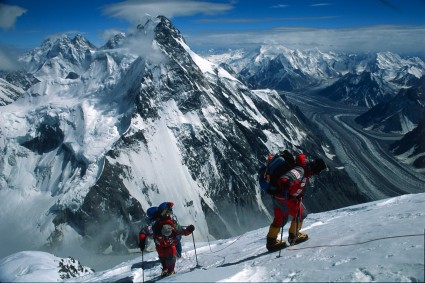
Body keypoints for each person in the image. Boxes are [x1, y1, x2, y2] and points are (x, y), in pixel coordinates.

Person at [266, 153, 327, 251]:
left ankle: (271, 242)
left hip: (277, 197)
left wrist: (297, 194)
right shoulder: (301, 170)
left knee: (279, 219)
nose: (317, 174)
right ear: (315, 168)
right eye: (318, 171)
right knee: (301, 214)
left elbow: (295, 184)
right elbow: (287, 178)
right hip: (286, 198)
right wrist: (285, 182)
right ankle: (294, 236)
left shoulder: (303, 169)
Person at [139, 202, 195, 277]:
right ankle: (170, 270)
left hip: (160, 245)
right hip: (172, 243)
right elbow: (183, 231)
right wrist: (189, 230)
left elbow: (144, 231)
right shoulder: (172, 224)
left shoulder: (155, 226)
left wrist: (142, 242)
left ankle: (165, 269)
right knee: (172, 257)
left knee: (163, 257)